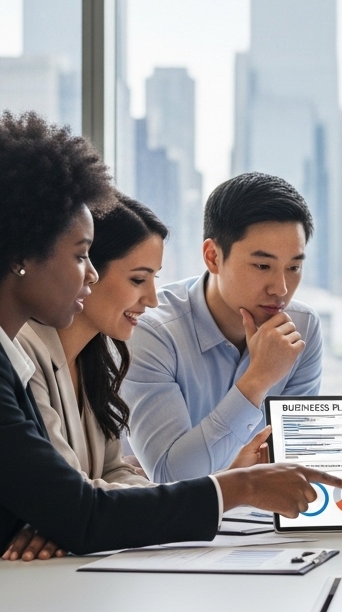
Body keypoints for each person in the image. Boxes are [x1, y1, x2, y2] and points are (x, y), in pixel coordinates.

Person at [0, 114, 342, 612]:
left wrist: (61, 512)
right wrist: (242, 486)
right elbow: (83, 512)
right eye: (81, 254)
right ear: (19, 254)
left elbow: (73, 500)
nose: (90, 276)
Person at [122, 172, 323, 482]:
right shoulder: (152, 331)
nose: (281, 288)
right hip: (177, 526)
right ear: (213, 257)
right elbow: (169, 475)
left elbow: (293, 465)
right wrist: (257, 380)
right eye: (262, 266)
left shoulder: (303, 327)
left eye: (294, 267)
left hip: (263, 521)